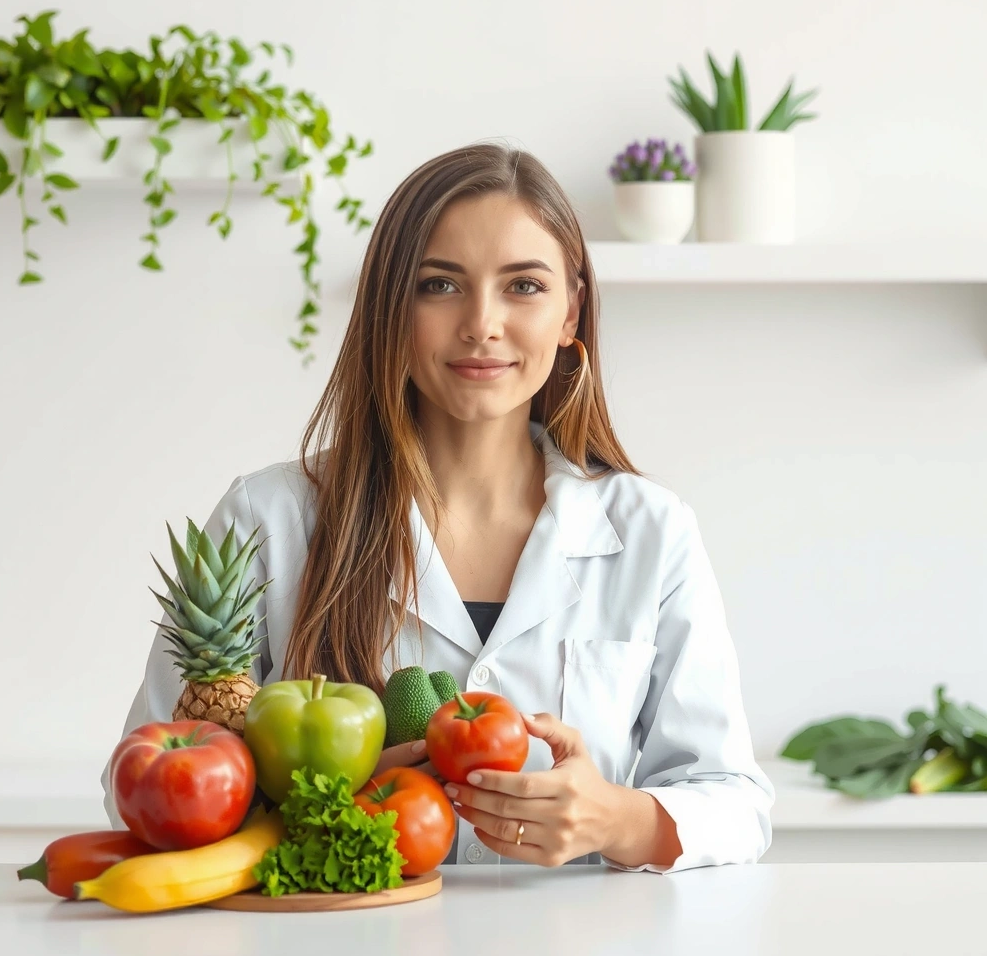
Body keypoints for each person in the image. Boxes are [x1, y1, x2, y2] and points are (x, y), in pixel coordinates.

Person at [101, 141, 774, 873]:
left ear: (571, 311)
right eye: (439, 285)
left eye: (523, 287)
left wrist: (618, 819)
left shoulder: (652, 531)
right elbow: (140, 784)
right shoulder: (267, 521)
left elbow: (736, 801)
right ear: (391, 307)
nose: (482, 323)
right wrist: (331, 801)